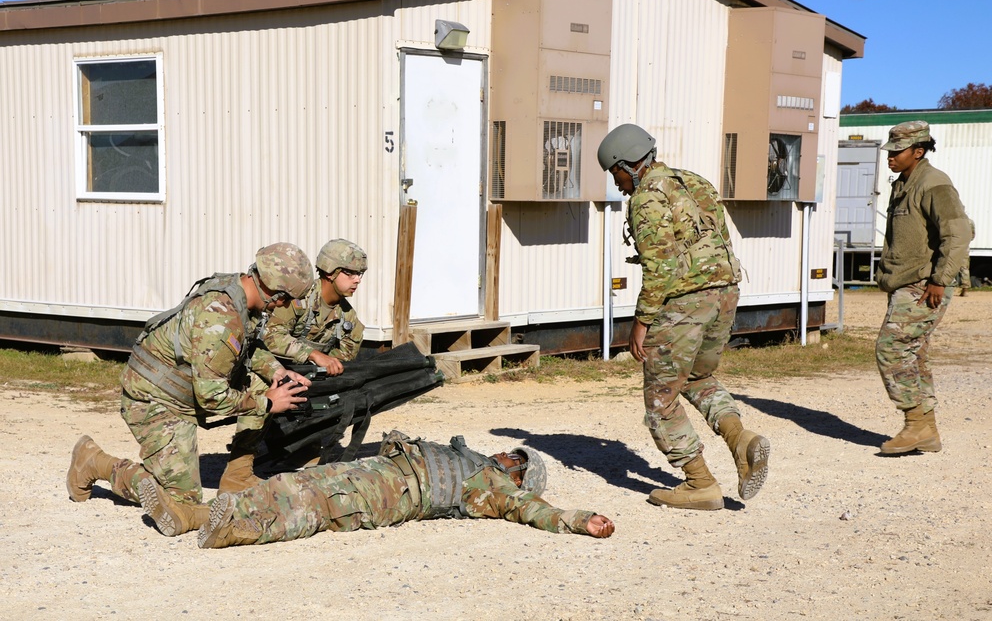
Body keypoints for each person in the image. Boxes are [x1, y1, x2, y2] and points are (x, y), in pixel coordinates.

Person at [66, 243, 315, 536]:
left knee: (265, 382)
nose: (285, 308)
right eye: (287, 301)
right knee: (179, 504)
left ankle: (236, 474)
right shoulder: (221, 318)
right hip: (152, 398)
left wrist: (278, 372)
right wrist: (268, 404)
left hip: (179, 394)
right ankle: (94, 462)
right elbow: (212, 397)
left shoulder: (239, 293)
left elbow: (249, 345)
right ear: (276, 295)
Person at [596, 123, 768, 510]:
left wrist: (640, 323)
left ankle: (700, 483)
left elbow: (661, 266)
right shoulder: (694, 182)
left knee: (661, 397)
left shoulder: (645, 197)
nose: (617, 182)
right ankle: (741, 440)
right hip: (724, 293)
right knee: (697, 376)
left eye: (615, 173)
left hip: (684, 302)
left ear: (627, 164)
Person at [186, 430, 614, 548]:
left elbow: (535, 512)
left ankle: (239, 531)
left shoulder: (497, 490)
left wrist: (579, 521)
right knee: (293, 482)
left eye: (516, 461)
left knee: (313, 508)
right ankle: (200, 515)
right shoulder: (472, 460)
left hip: (390, 497)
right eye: (512, 453)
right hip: (378, 469)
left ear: (520, 478)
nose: (506, 457)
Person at [222, 239, 369, 490]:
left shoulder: (349, 321)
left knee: (333, 389)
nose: (357, 280)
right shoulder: (296, 299)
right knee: (261, 382)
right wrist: (313, 354)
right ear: (329, 272)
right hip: (262, 367)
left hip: (303, 377)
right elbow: (270, 335)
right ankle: (239, 467)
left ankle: (304, 447)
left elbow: (343, 362)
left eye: (360, 274)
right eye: (350, 272)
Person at [876, 121, 973, 455]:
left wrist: (939, 279)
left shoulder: (933, 183)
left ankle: (915, 424)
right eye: (889, 152)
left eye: (896, 152)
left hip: (924, 283)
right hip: (909, 281)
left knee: (891, 349)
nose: (889, 158)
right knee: (913, 354)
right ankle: (925, 430)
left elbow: (958, 233)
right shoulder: (904, 183)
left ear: (918, 151)